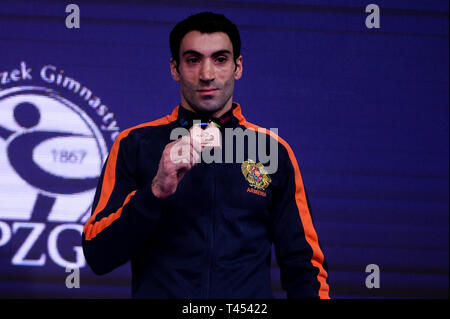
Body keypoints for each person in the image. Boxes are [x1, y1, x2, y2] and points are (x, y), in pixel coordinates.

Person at [82, 12, 330, 299]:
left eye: (220, 59)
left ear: (238, 67)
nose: (207, 74)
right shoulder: (134, 144)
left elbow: (303, 264)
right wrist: (155, 191)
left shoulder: (272, 150)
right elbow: (98, 254)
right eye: (193, 60)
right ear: (175, 68)